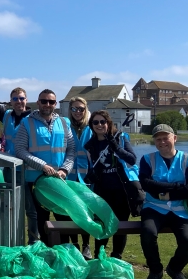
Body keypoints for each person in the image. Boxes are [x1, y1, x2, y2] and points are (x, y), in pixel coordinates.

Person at [139, 124, 188, 279]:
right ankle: (155, 271)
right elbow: (146, 184)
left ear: (174, 138)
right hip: (153, 207)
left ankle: (175, 269)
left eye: (165, 138)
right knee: (148, 233)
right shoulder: (147, 159)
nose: (162, 142)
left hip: (180, 209)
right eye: (158, 139)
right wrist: (176, 186)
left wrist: (164, 192)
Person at [0, 65, 36, 238]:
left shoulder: (34, 118)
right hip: (11, 169)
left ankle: (34, 241)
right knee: (9, 206)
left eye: (22, 98)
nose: (19, 101)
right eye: (15, 98)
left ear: (26, 100)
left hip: (30, 168)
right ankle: (11, 239)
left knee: (31, 209)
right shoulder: (7, 115)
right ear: (11, 101)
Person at [14, 89, 76, 246]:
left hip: (59, 181)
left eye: (51, 102)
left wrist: (64, 169)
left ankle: (65, 252)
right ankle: (47, 252)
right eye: (43, 101)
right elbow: (20, 150)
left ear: (55, 104)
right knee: (42, 219)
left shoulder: (63, 122)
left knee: (64, 217)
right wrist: (42, 166)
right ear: (38, 102)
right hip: (36, 180)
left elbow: (71, 150)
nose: (47, 104)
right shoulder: (26, 123)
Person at [83, 110, 138, 261]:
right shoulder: (90, 146)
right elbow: (92, 167)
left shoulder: (120, 138)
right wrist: (92, 175)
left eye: (102, 122)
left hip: (122, 190)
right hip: (103, 192)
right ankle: (99, 257)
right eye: (95, 122)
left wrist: (117, 148)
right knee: (102, 225)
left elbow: (132, 160)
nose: (99, 125)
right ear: (91, 125)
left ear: (108, 123)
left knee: (120, 227)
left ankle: (117, 257)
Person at [66, 96, 93, 258]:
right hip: (69, 175)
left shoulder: (92, 127)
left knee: (86, 212)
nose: (77, 112)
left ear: (86, 110)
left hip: (87, 176)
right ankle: (74, 244)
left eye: (81, 109)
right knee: (71, 211)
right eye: (74, 109)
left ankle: (86, 245)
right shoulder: (65, 127)